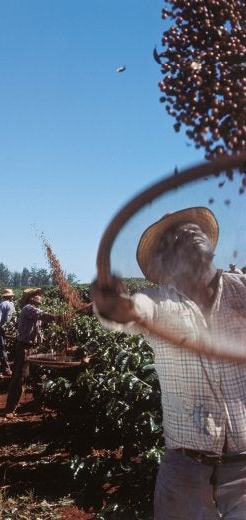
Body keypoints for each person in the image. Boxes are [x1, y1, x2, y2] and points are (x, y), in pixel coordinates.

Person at [90, 206, 246, 519]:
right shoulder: (158, 302)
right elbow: (131, 312)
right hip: (186, 467)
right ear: (167, 258)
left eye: (195, 229)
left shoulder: (240, 290)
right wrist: (112, 305)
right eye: (176, 236)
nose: (189, 234)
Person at [4, 290, 64, 418]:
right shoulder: (28, 308)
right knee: (20, 377)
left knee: (38, 376)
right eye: (37, 295)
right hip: (24, 348)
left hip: (34, 347)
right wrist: (59, 317)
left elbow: (38, 329)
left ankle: (38, 404)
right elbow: (44, 316)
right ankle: (10, 408)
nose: (40, 297)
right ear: (31, 298)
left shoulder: (34, 311)